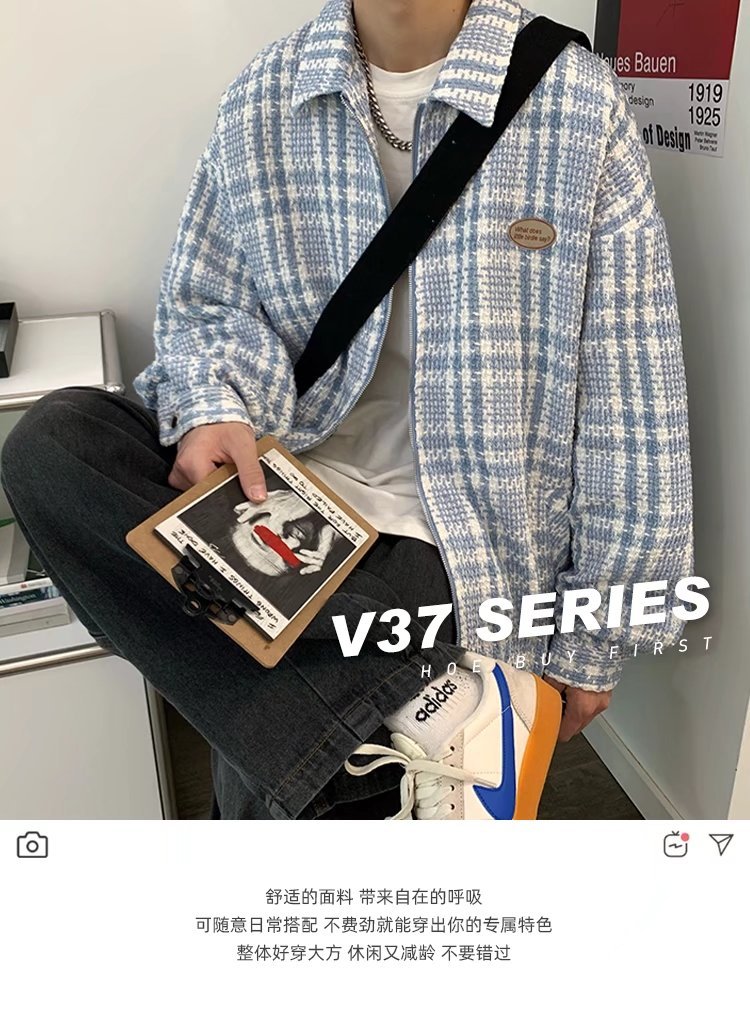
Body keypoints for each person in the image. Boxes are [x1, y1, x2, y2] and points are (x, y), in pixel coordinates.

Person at [1, 0, 693, 820]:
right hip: (281, 488)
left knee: (271, 769)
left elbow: (631, 392)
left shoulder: (575, 103)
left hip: (461, 537)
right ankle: (438, 707)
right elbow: (206, 305)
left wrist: (593, 635)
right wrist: (213, 405)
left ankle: (379, 722)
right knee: (54, 443)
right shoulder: (265, 97)